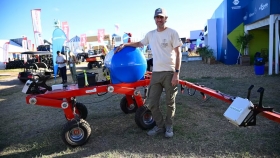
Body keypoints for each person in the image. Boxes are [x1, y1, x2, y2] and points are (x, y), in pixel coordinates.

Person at [115, 8, 182, 138]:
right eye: (157, 17)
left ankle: (169, 126)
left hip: (170, 72)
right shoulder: (150, 34)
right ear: (154, 19)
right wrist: (125, 44)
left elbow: (178, 53)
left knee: (170, 102)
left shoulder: (172, 33)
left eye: (161, 17)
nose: (159, 19)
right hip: (156, 73)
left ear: (166, 18)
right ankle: (160, 125)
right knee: (151, 102)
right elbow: (140, 43)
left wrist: (176, 73)